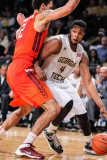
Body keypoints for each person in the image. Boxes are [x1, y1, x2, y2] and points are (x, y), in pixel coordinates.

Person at [0, 0, 81, 159]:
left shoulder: (27, 22)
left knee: (25, 110)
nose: (52, 9)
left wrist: (23, 23)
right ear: (43, 6)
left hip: (13, 68)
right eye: (50, 5)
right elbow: (68, 8)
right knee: (54, 109)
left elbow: (22, 35)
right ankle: (25, 146)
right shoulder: (42, 16)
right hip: (24, 68)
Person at [34, 20, 107, 155]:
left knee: (81, 111)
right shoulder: (58, 42)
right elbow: (36, 57)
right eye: (74, 32)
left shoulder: (82, 54)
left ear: (83, 35)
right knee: (68, 103)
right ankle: (50, 132)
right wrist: (37, 67)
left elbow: (87, 82)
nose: (76, 35)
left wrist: (101, 106)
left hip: (62, 81)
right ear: (70, 31)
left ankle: (88, 143)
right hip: (47, 79)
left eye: (80, 34)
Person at [86, 66, 107, 132]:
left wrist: (100, 86)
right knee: (90, 100)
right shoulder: (98, 79)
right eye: (101, 73)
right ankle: (91, 122)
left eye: (104, 73)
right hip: (99, 100)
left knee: (104, 101)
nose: (102, 75)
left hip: (106, 101)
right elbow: (95, 92)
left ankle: (103, 123)